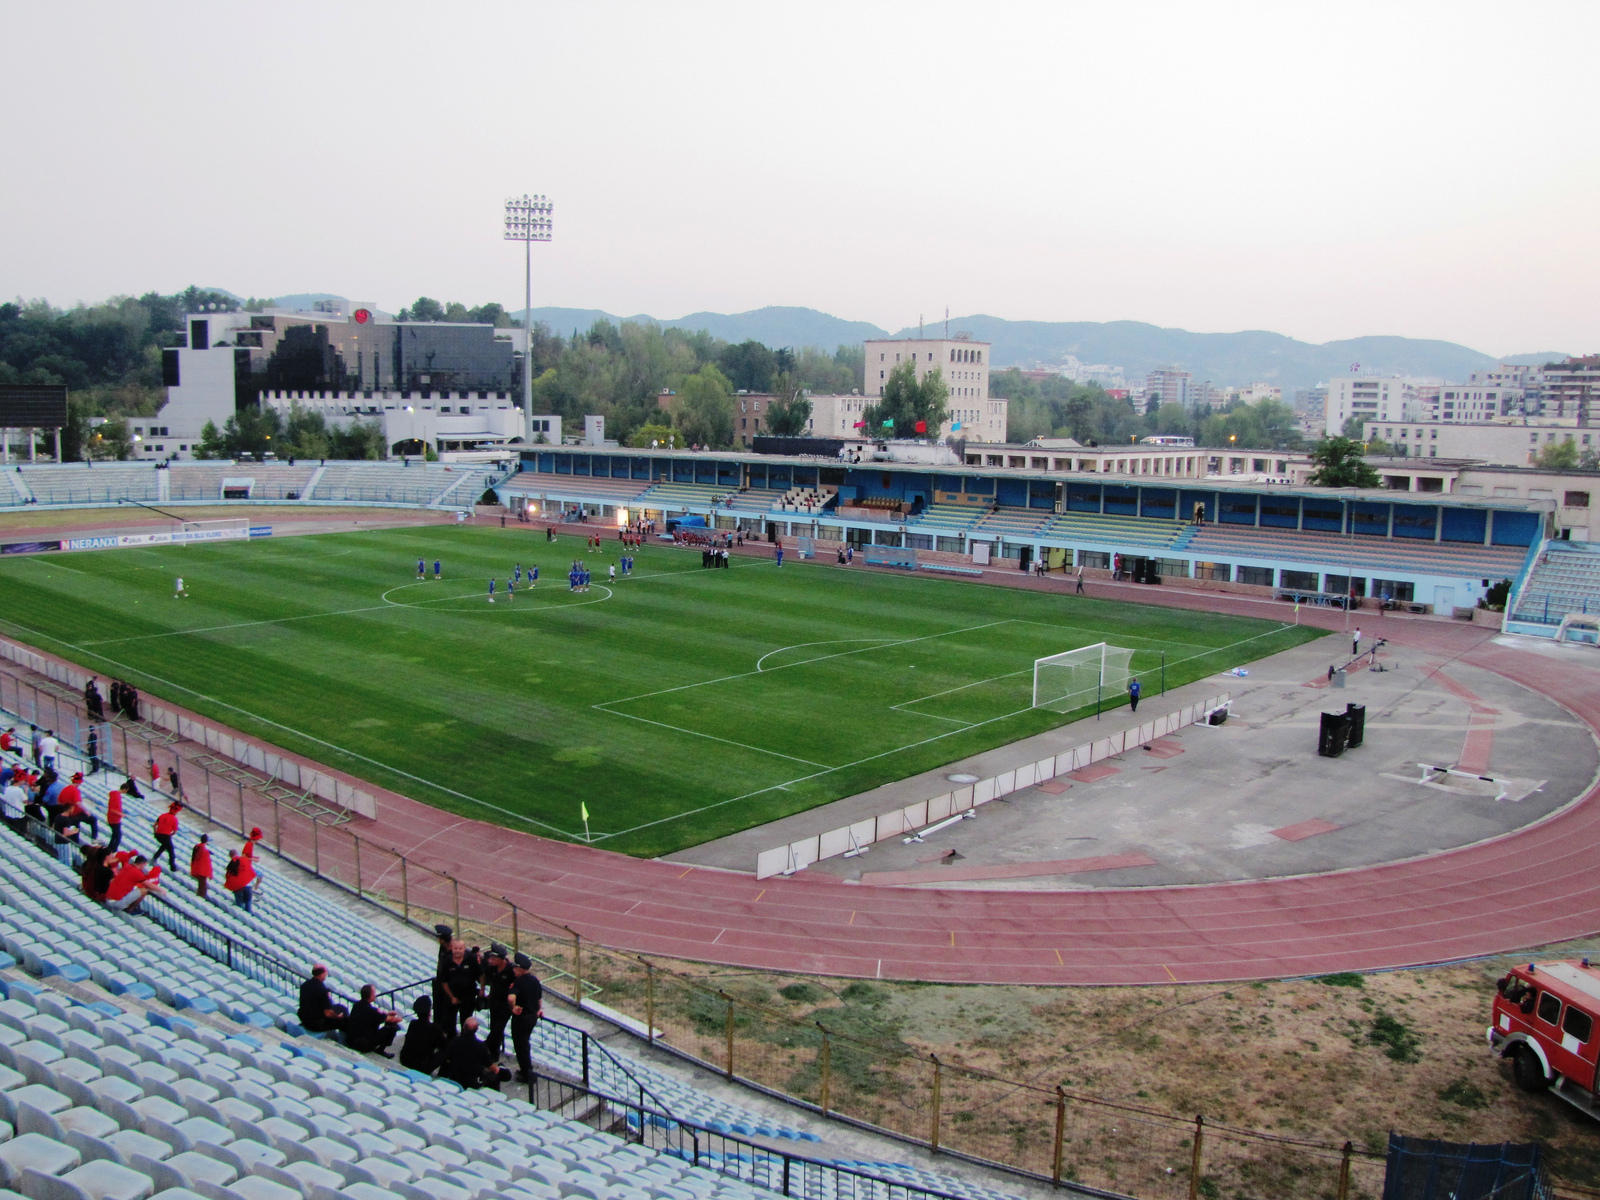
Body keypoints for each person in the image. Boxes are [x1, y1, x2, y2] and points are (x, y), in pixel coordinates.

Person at [439, 1016, 507, 1089]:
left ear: (463, 1027)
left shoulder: (454, 1042)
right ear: (476, 1029)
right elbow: (491, 1066)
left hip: (454, 1078)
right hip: (472, 1083)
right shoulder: (481, 1047)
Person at [509, 952, 544, 1084]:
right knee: (525, 1044)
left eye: (515, 968)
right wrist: (539, 1010)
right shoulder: (535, 980)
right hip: (532, 1016)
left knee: (520, 1046)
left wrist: (512, 1007)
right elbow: (539, 999)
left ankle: (526, 1073)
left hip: (521, 1017)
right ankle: (526, 1070)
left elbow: (511, 997)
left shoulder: (518, 982)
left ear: (520, 969)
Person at [344, 984, 403, 1056]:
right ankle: (380, 1050)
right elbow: (392, 1019)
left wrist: (386, 1014)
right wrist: (399, 1017)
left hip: (351, 1040)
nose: (375, 995)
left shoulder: (357, 1005)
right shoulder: (371, 1011)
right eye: (374, 993)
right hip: (363, 1044)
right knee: (392, 1027)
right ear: (370, 996)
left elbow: (377, 1016)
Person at [399, 996, 448, 1074]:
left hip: (405, 1060)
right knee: (446, 1050)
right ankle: (443, 1074)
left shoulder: (413, 1024)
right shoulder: (435, 1029)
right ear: (429, 1011)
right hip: (422, 1066)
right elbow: (443, 1045)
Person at [297, 965, 347, 1033]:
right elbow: (328, 1013)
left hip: (304, 1019)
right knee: (344, 1018)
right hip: (316, 1023)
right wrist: (338, 1017)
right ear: (322, 974)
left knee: (340, 1007)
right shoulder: (322, 990)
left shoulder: (304, 985)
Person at [152, 801, 181, 870]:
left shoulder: (162, 815)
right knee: (171, 851)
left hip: (158, 835)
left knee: (164, 846)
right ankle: (172, 867)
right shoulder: (174, 819)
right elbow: (174, 831)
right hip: (166, 836)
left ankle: (154, 858)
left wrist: (155, 833)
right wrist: (170, 835)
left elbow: (154, 825)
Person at [190, 833, 213, 898]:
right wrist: (210, 874)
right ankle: (201, 898)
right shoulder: (204, 851)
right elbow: (207, 864)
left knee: (200, 886)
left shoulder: (197, 847)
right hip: (202, 871)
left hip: (196, 869)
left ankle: (199, 896)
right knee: (203, 888)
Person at [104, 783, 123, 852]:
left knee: (115, 834)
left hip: (111, 819)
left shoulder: (113, 795)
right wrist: (121, 814)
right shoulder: (116, 797)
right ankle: (113, 850)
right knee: (118, 836)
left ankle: (110, 848)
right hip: (115, 820)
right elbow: (112, 809)